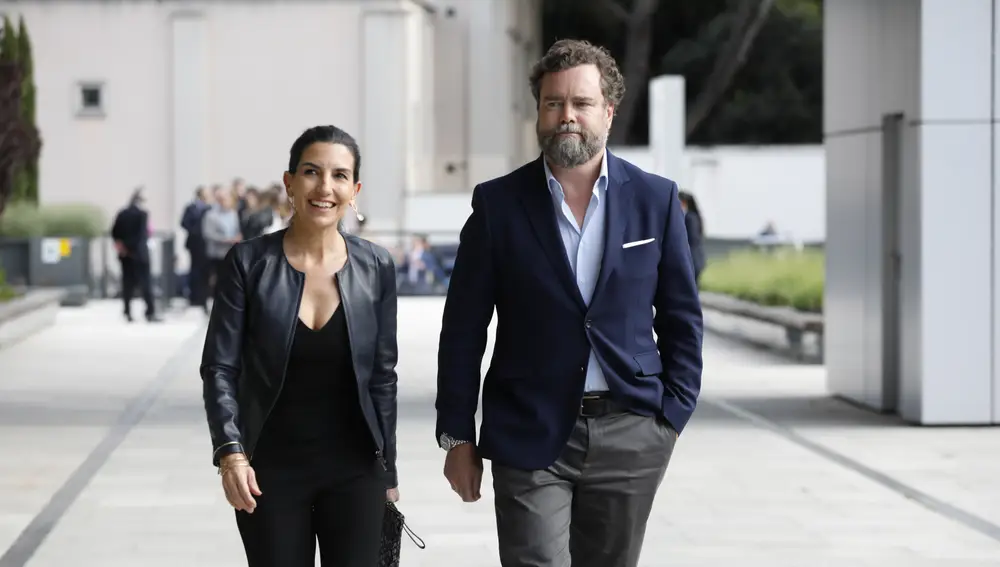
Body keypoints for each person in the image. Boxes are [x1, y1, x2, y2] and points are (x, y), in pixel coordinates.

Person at [435, 39, 703, 567]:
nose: (566, 117)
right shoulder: (498, 205)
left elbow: (681, 317)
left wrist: (671, 415)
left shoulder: (656, 199)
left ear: (607, 110)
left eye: (580, 103)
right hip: (528, 430)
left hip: (632, 429)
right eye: (553, 103)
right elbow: (463, 328)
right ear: (539, 111)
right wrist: (456, 435)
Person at [200, 125, 400, 567]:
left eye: (340, 175)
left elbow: (383, 377)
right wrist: (230, 453)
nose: (325, 187)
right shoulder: (248, 263)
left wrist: (388, 469)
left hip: (356, 470)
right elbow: (219, 368)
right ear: (289, 183)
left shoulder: (377, 266)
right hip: (269, 470)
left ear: (355, 189)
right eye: (311, 172)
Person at [110, 187, 161, 323]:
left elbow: (115, 232)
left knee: (127, 284)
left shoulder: (122, 213)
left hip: (125, 255)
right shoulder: (142, 214)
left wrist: (124, 248)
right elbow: (141, 236)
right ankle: (150, 312)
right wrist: (135, 249)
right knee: (146, 284)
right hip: (140, 255)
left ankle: (127, 311)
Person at [678, 190, 706, 282]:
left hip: (692, 259)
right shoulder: (694, 217)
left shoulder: (690, 218)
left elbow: (691, 239)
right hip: (695, 259)